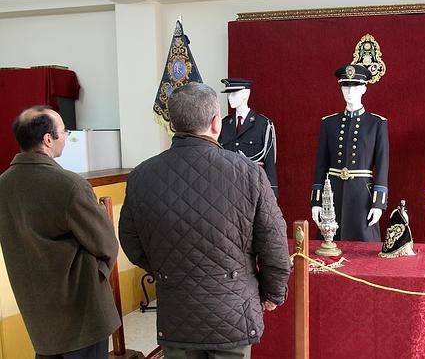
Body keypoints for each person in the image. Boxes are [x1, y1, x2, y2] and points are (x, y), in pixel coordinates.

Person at [119, 82, 290, 358]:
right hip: (234, 310)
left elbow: (130, 240)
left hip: (177, 309)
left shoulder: (141, 176)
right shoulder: (248, 173)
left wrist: (167, 269)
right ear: (215, 123)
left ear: (173, 124)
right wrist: (273, 293)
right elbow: (274, 244)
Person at [0, 106, 121, 358]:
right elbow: (106, 243)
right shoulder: (68, 184)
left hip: (38, 313)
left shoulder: (4, 185)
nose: (66, 136)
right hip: (82, 310)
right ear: (47, 139)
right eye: (64, 131)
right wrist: (99, 273)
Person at [311, 64, 390, 242]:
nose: (349, 91)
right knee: (329, 246)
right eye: (345, 86)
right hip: (331, 194)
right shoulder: (329, 123)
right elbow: (321, 165)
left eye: (355, 86)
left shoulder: (376, 124)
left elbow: (383, 165)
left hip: (362, 195)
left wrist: (378, 203)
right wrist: (316, 201)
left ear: (364, 88)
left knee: (363, 249)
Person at [218, 78, 278, 197]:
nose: (229, 97)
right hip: (227, 190)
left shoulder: (263, 124)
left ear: (246, 94)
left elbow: (270, 164)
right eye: (228, 93)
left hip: (253, 189)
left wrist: (272, 194)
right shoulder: (224, 124)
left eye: (233, 93)